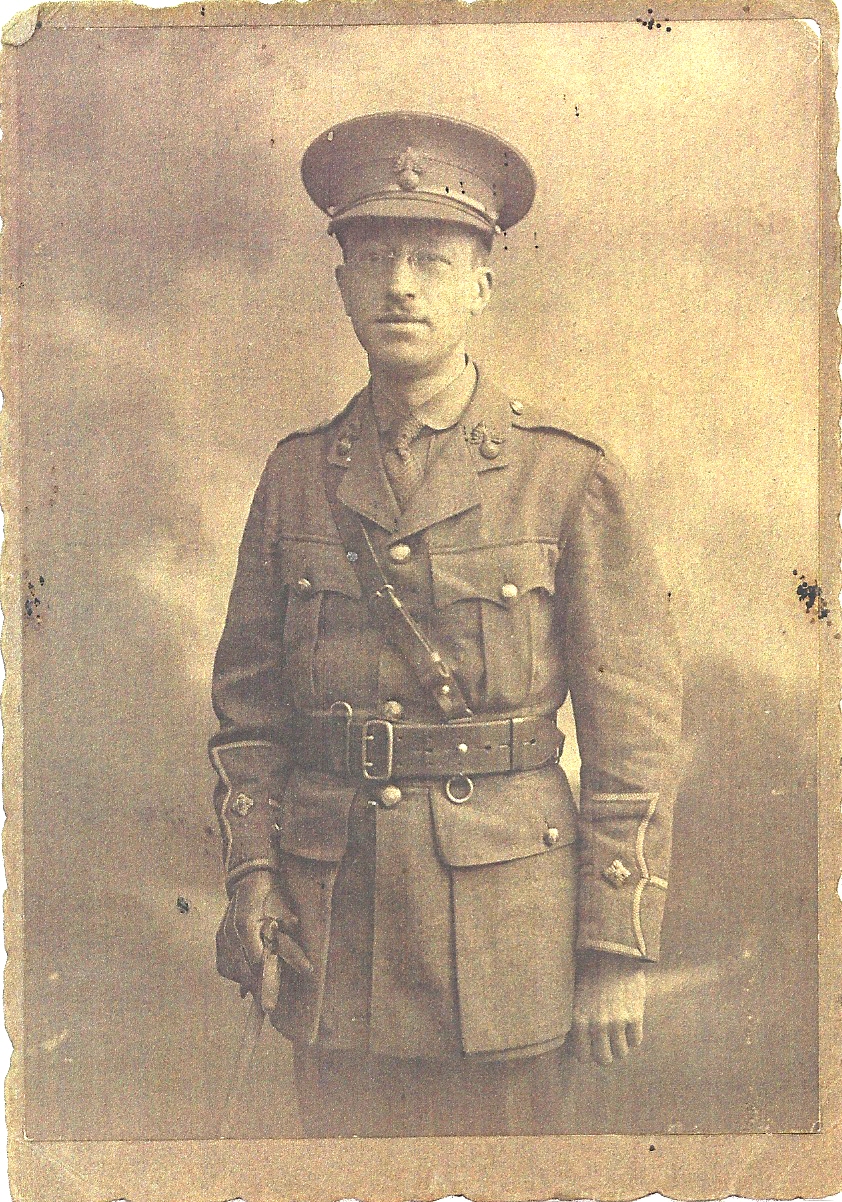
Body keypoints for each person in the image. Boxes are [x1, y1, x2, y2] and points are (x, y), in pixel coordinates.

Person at [210, 112, 682, 1137]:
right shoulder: (296, 477)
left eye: (431, 259)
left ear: (481, 285)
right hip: (330, 936)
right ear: (342, 284)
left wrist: (615, 948)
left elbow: (633, 734)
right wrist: (253, 873)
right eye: (375, 259)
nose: (401, 287)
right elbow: (248, 716)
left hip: (508, 938)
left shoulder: (564, 475)